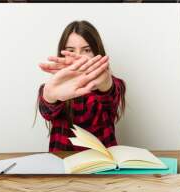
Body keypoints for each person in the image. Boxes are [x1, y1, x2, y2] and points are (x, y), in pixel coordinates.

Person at [36, 20, 126, 152]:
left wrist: (105, 82)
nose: (79, 57)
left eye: (87, 50)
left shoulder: (113, 84)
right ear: (62, 55)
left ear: (97, 52)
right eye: (71, 50)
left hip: (103, 165)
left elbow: (111, 96)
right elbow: (47, 112)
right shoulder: (54, 87)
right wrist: (49, 95)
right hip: (63, 164)